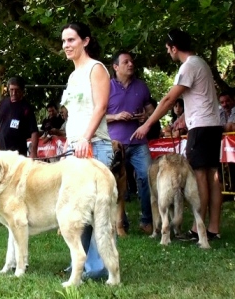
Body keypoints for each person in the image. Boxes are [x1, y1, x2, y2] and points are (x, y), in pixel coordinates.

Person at [132, 28, 223, 240]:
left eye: (167, 49)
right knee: (213, 176)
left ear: (174, 47)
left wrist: (147, 124)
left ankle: (197, 230)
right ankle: (214, 228)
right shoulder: (201, 63)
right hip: (212, 125)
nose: (167, 53)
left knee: (200, 176)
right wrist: (184, 118)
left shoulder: (188, 66)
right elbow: (202, 98)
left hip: (201, 129)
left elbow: (168, 100)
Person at [60, 21, 113, 281]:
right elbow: (74, 113)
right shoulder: (72, 76)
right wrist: (70, 142)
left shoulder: (97, 68)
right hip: (74, 149)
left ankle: (97, 267)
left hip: (94, 146)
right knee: (76, 211)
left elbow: (100, 107)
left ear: (85, 41)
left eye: (71, 40)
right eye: (64, 41)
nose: (66, 45)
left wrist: (85, 138)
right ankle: (80, 263)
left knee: (95, 212)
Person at [106, 50, 154, 234]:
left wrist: (146, 116)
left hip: (138, 142)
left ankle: (146, 221)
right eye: (126, 62)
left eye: (132, 61)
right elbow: (98, 115)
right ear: (116, 67)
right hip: (114, 145)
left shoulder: (141, 86)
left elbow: (151, 109)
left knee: (147, 177)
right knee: (114, 186)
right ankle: (120, 224)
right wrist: (116, 116)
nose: (131, 64)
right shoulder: (107, 87)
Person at [0, 76, 39, 157]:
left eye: (17, 90)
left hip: (18, 153)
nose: (14, 93)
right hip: (2, 150)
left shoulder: (26, 108)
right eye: (11, 90)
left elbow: (34, 131)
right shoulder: (2, 103)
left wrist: (34, 152)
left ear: (22, 91)